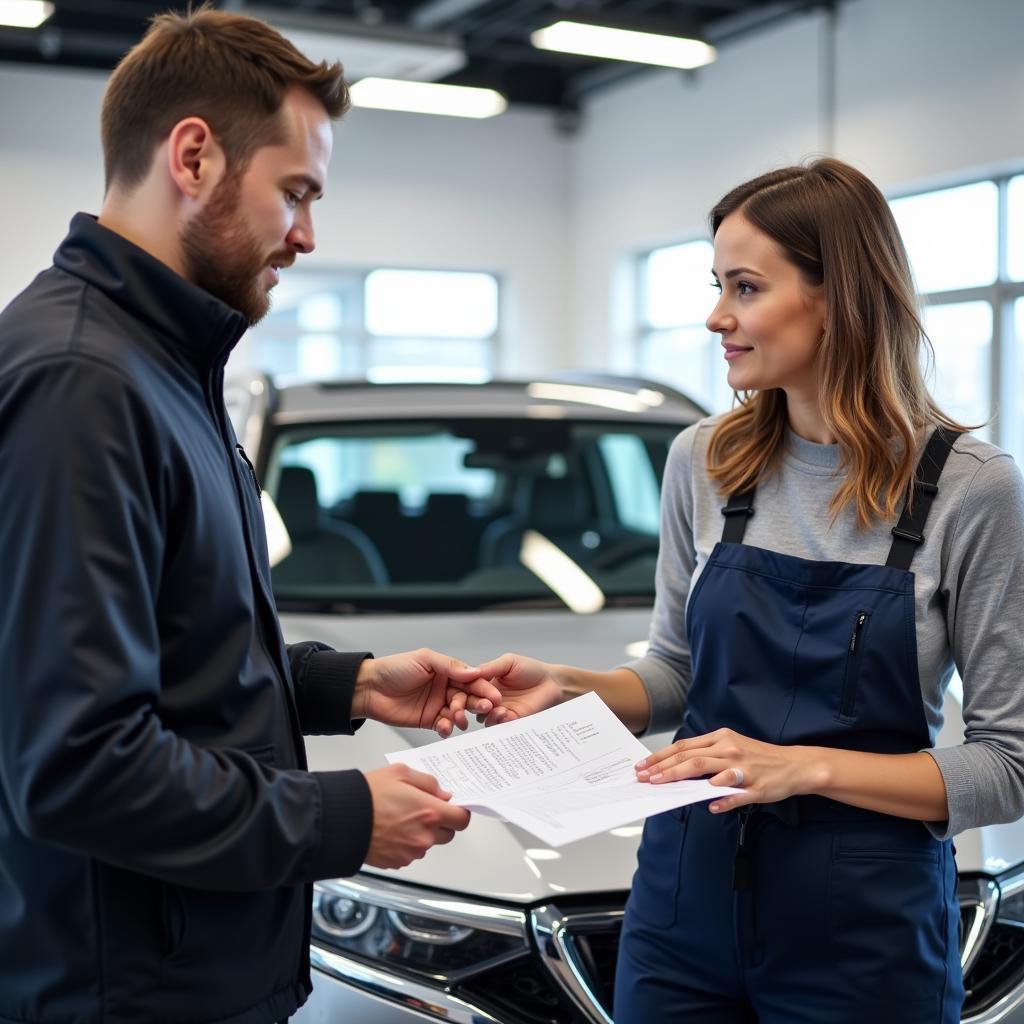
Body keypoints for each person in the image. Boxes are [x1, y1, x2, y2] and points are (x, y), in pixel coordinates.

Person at [0, 10, 499, 1024]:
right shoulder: (82, 383)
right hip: (124, 991)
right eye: (297, 192)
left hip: (188, 969)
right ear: (193, 155)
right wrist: (342, 815)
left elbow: (175, 638)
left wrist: (343, 682)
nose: (308, 233)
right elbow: (76, 764)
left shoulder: (161, 363)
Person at [449, 158, 1024, 1022]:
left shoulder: (973, 490)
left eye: (746, 287)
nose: (718, 317)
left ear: (839, 297)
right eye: (718, 285)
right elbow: (677, 672)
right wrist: (578, 689)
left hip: (863, 930)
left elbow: (1009, 765)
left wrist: (803, 768)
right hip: (684, 907)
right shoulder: (706, 461)